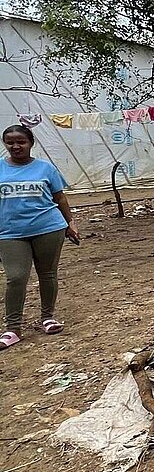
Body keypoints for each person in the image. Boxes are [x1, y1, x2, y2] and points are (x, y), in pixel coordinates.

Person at [0, 124, 78, 349]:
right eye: (10, 142)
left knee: (47, 273)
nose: (16, 146)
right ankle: (12, 328)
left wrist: (70, 223)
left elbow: (60, 198)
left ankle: (48, 318)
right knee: (15, 277)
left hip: (48, 228)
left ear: (31, 143)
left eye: (21, 142)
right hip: (10, 232)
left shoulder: (46, 168)